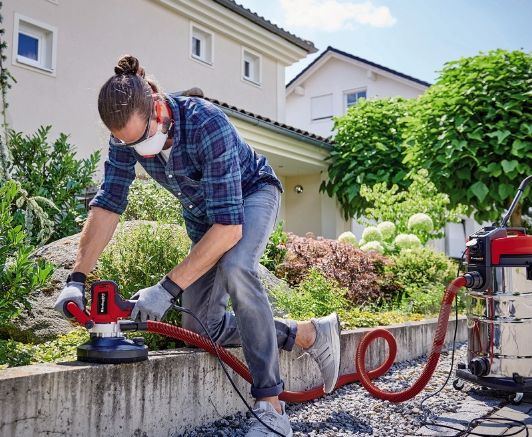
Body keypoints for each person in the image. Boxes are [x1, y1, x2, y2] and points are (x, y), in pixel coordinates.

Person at [54, 55, 341, 437]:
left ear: (157, 106)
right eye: (128, 144)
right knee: (203, 327)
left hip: (252, 194)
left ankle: (272, 408)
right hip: (205, 217)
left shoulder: (206, 122)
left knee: (238, 266)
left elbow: (229, 229)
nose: (138, 150)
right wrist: (77, 278)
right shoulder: (126, 137)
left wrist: (165, 289)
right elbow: (108, 204)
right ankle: (308, 335)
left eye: (141, 139)